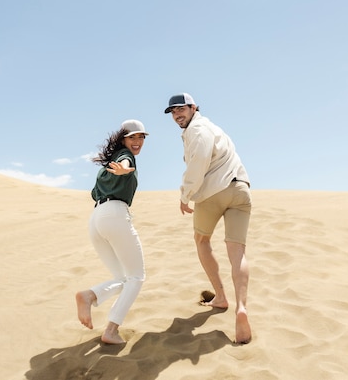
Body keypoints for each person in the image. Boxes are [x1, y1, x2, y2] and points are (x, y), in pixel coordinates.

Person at [164, 93, 253, 344]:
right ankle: (241, 307)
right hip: (241, 189)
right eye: (172, 112)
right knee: (238, 251)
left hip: (214, 192)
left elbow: (198, 164)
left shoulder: (198, 130)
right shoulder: (214, 128)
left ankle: (222, 297)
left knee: (202, 240)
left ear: (193, 107)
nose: (177, 115)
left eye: (181, 109)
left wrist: (185, 195)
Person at [75, 119, 149, 345]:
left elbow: (94, 193)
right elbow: (126, 163)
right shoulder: (124, 157)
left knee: (123, 278)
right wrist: (126, 169)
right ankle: (111, 329)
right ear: (122, 139)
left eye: (141, 137)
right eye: (132, 137)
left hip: (96, 218)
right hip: (115, 215)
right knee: (137, 277)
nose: (137, 142)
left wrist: (119, 173)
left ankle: (90, 295)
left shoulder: (106, 165)